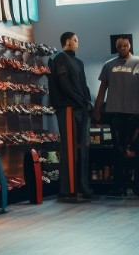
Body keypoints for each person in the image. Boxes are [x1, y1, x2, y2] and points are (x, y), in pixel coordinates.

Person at [48, 31, 94, 200]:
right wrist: (81, 101)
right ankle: (69, 189)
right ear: (67, 41)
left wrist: (87, 102)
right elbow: (64, 84)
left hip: (81, 108)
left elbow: (84, 85)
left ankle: (82, 187)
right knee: (69, 149)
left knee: (83, 148)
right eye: (75, 40)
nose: (78, 43)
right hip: (67, 108)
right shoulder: (60, 59)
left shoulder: (79, 62)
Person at [94, 37, 139, 196]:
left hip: (135, 113)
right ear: (116, 47)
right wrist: (97, 110)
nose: (122, 48)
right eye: (119, 46)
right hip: (115, 112)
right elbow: (102, 89)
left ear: (130, 46)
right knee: (118, 150)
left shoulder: (138, 62)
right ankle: (119, 186)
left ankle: (136, 187)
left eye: (125, 45)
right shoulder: (109, 65)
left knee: (135, 150)